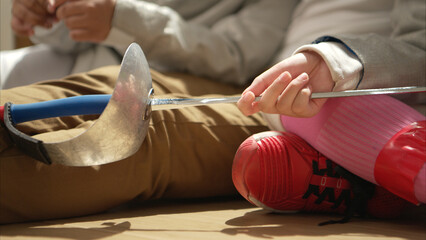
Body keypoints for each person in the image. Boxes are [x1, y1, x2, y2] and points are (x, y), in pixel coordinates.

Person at [0, 0, 422, 225]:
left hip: (274, 93)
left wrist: (335, 62)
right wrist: (51, 15)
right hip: (277, 89)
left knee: (109, 119)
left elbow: (239, 55)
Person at [233, 0, 425, 224]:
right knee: (307, 104)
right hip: (300, 88)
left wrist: (335, 63)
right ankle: (366, 183)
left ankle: (362, 180)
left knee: (324, 102)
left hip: (369, 78)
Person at [1, 0, 297, 89]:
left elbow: (235, 58)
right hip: (75, 57)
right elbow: (70, 38)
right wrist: (42, 16)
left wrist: (122, 20)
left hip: (165, 79)